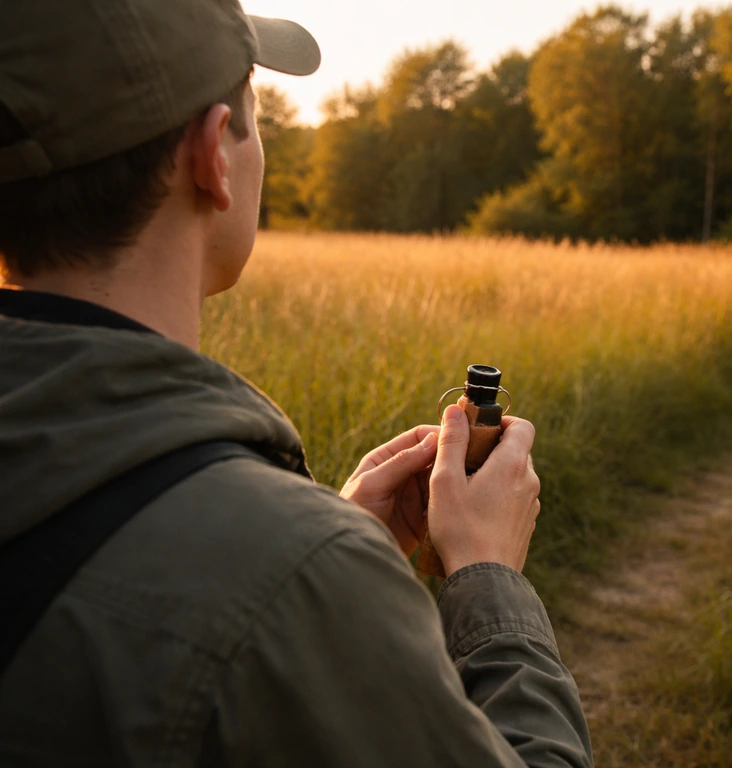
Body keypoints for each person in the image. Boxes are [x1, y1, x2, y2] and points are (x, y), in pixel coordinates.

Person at [0, 2, 593, 766]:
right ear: (214, 154)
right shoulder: (293, 572)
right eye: (256, 111)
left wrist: (324, 554)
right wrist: (485, 579)